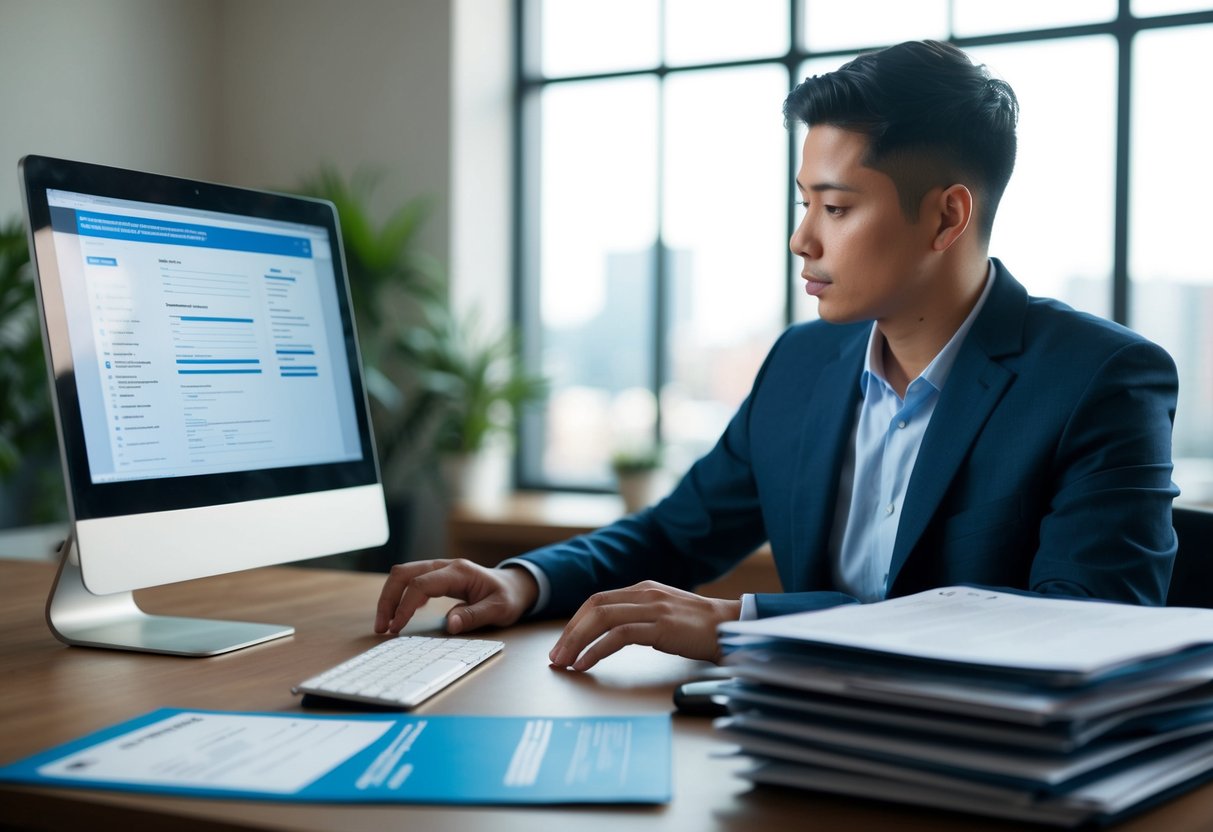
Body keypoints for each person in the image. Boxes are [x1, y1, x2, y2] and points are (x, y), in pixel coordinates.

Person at [374, 40, 1179, 672]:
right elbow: (673, 534)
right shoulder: (802, 362)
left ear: (945, 217)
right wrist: (524, 581)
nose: (802, 239)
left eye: (835, 206)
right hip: (796, 742)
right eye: (804, 203)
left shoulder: (1099, 380)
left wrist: (742, 622)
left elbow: (1080, 626)